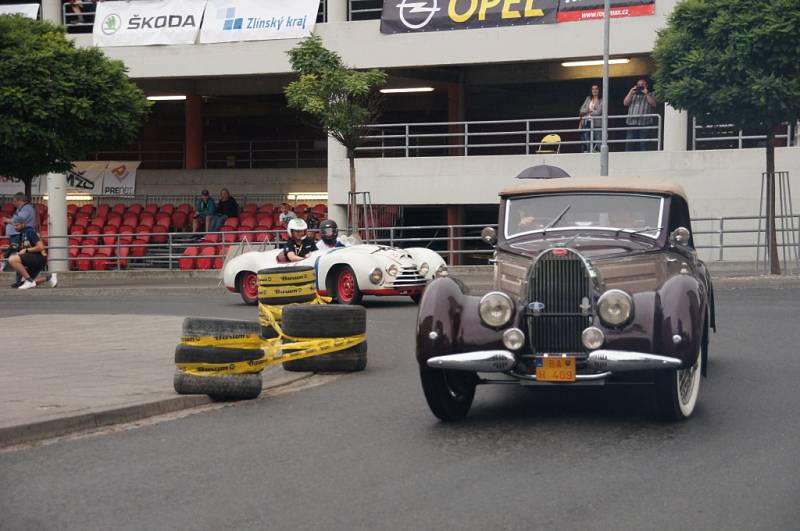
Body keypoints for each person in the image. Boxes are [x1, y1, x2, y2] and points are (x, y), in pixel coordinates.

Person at [6, 221, 57, 290]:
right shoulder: (22, 234)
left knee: (12, 259)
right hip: (32, 258)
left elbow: (40, 247)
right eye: (14, 226)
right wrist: (16, 248)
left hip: (39, 257)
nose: (15, 227)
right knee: (19, 284)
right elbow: (24, 248)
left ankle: (29, 281)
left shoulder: (30, 232)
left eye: (17, 225)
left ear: (23, 224)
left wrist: (26, 250)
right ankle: (49, 277)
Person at [1, 193, 37, 272]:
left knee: (15, 252)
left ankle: (10, 269)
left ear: (19, 200)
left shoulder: (26, 209)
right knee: (14, 252)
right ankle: (11, 269)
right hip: (16, 235)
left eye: (14, 201)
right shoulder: (21, 209)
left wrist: (7, 220)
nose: (13, 203)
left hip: (18, 235)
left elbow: (18, 220)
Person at [623, 78, 657, 152]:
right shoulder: (633, 95)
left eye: (642, 85)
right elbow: (625, 103)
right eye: (638, 85)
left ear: (646, 86)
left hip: (645, 123)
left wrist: (646, 94)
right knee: (629, 144)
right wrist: (630, 92)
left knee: (643, 144)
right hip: (632, 123)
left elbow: (654, 104)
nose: (640, 86)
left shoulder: (650, 94)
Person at [578, 84, 603, 153]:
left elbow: (599, 112)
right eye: (593, 89)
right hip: (587, 122)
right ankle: (590, 152)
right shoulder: (588, 98)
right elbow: (581, 110)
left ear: (599, 90)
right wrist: (588, 111)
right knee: (587, 140)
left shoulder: (602, 99)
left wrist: (589, 113)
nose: (594, 90)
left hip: (597, 123)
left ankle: (601, 153)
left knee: (598, 141)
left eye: (596, 89)